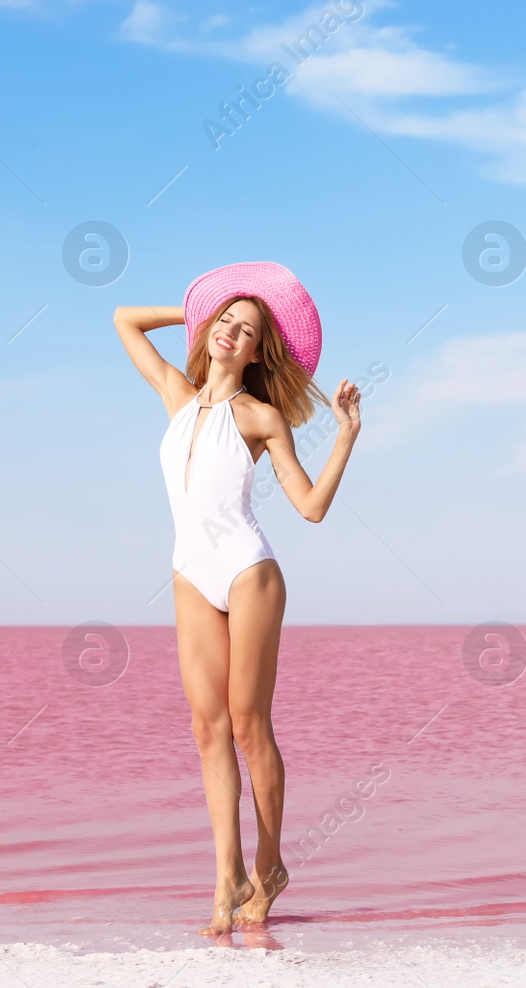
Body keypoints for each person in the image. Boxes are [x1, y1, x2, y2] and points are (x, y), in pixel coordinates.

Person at [113, 261, 360, 935]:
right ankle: (227, 875)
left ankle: (270, 863)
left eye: (245, 328)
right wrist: (197, 308)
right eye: (224, 320)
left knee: (248, 722)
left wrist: (344, 436)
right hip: (190, 570)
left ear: (258, 350)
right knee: (206, 727)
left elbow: (308, 507)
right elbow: (123, 320)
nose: (229, 331)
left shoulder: (260, 416)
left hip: (248, 570)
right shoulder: (175, 393)